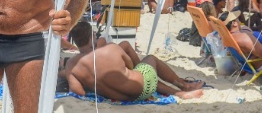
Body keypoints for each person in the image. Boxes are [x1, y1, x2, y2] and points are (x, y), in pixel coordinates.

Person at [64, 22, 204, 101]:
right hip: (141, 89)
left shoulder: (71, 65)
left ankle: (181, 92)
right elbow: (131, 66)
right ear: (92, 35)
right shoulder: (111, 49)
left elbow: (78, 92)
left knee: (143, 72)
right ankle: (182, 87)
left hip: (123, 98)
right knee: (150, 60)